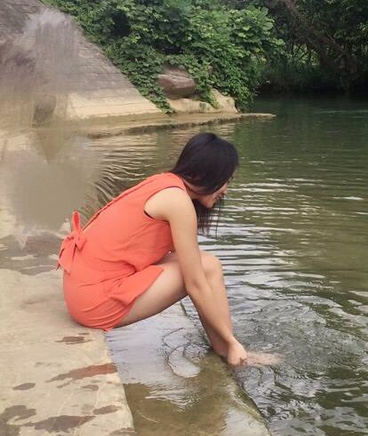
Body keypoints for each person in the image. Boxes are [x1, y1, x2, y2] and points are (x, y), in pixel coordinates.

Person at [57, 131, 248, 366]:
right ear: (207, 173)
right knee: (206, 270)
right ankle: (231, 351)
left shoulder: (164, 182)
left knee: (208, 264)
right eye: (226, 181)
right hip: (94, 303)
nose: (226, 190)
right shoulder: (177, 202)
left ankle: (225, 350)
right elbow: (195, 284)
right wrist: (232, 340)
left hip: (82, 292)